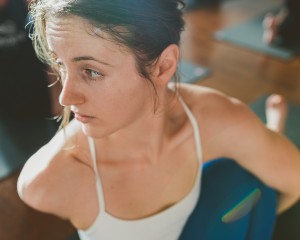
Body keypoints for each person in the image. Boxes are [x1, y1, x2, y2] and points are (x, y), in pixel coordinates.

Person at [17, 0, 300, 239]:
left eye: (91, 71)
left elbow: (293, 182)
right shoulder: (49, 180)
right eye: (59, 65)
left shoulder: (216, 120)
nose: (65, 97)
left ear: (163, 66)